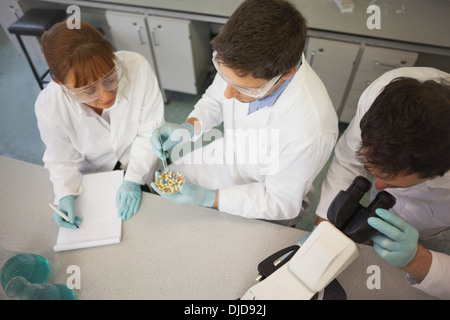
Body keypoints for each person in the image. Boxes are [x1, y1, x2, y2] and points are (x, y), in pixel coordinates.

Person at [150, 0, 338, 226]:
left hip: (265, 200)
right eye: (225, 77)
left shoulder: (311, 129)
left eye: (244, 88)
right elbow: (216, 98)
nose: (229, 93)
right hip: (228, 159)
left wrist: (211, 198)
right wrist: (189, 127)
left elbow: (279, 201)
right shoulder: (241, 59)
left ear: (286, 74)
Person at [314, 67, 450, 299]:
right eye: (373, 172)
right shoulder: (383, 98)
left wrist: (418, 260)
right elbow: (348, 159)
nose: (376, 188)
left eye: (392, 183)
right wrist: (326, 226)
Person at [35, 21, 164, 228]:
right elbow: (61, 159)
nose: (105, 95)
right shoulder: (49, 106)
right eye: (89, 90)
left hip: (141, 164)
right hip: (96, 177)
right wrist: (65, 194)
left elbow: (150, 130)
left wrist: (133, 179)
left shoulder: (137, 67)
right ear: (60, 83)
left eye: (110, 78)